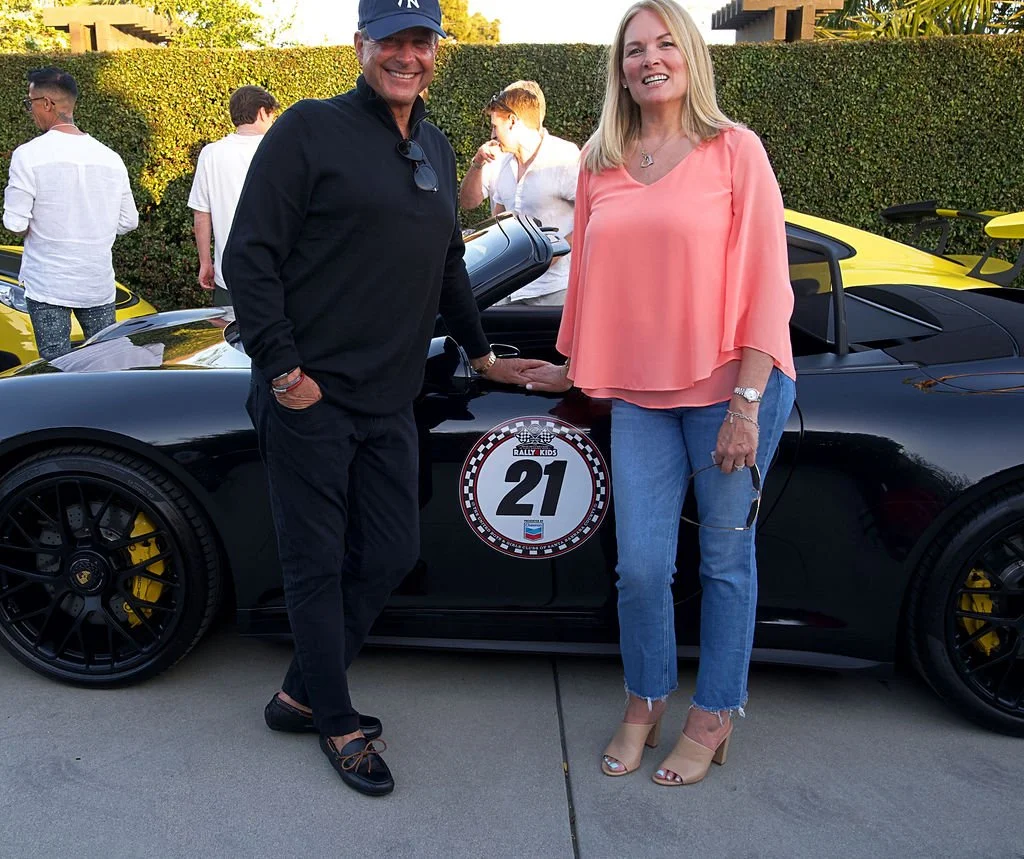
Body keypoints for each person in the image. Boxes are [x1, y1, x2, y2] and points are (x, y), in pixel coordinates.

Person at [223, 0, 545, 797]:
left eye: (421, 41)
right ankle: (334, 719)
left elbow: (448, 265)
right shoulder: (309, 129)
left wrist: (482, 353)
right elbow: (248, 256)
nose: (408, 55)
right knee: (316, 564)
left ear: (436, 51)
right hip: (312, 399)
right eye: (392, 40)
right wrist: (285, 372)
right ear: (360, 45)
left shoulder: (434, 144)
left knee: (393, 551)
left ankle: (298, 694)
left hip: (389, 398)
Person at [523, 0, 797, 787]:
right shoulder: (599, 159)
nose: (650, 59)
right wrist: (573, 364)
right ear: (620, 69)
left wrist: (746, 404)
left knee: (723, 560)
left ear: (690, 57)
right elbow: (588, 279)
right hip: (639, 394)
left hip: (731, 386)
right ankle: (646, 697)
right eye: (634, 48)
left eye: (665, 43)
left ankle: (714, 714)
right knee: (641, 567)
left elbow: (766, 284)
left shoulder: (735, 150)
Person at [2, 67, 138, 361]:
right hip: (96, 281)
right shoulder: (110, 157)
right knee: (105, 363)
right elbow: (129, 220)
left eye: (30, 103)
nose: (30, 110)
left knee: (56, 366)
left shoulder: (28, 155)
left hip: (47, 283)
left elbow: (14, 223)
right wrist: (95, 226)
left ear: (47, 103)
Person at [459, 81, 580, 306]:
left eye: (495, 126)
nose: (492, 134)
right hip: (508, 289)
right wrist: (477, 162)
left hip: (554, 290)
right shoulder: (500, 160)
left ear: (513, 121)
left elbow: (591, 215)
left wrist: (554, 250)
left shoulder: (564, 157)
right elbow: (486, 212)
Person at [187, 85, 278, 307]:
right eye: (272, 116)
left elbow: (201, 215)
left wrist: (205, 263)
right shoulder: (281, 149)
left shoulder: (211, 153)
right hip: (276, 272)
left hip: (228, 274)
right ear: (262, 112)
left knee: (228, 329)